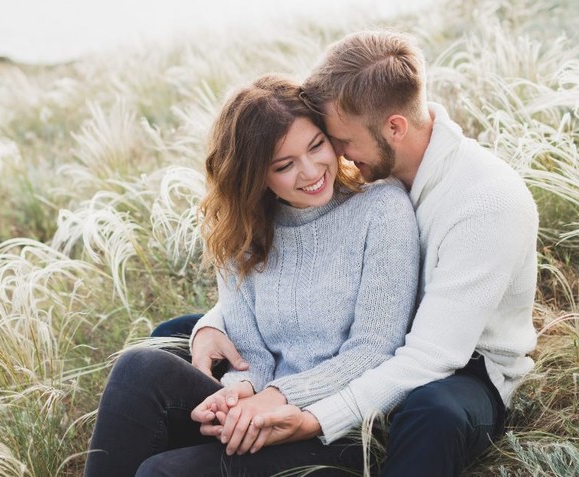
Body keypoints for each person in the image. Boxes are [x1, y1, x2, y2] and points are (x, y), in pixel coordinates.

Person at [182, 30, 539, 476]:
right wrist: (212, 322)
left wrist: (312, 420)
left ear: (394, 127)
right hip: (371, 332)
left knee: (434, 413)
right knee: (177, 336)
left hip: (460, 367)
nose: (334, 156)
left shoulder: (484, 203)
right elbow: (302, 281)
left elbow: (428, 357)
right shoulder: (381, 171)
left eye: (337, 141)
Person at [83, 74, 420, 476]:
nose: (311, 171)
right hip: (260, 409)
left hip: (338, 429)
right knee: (139, 367)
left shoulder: (381, 210)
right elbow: (249, 351)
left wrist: (279, 396)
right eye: (284, 165)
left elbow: (374, 350)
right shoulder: (245, 231)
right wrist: (237, 395)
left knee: (161, 472)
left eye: (317, 146)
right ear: (255, 174)